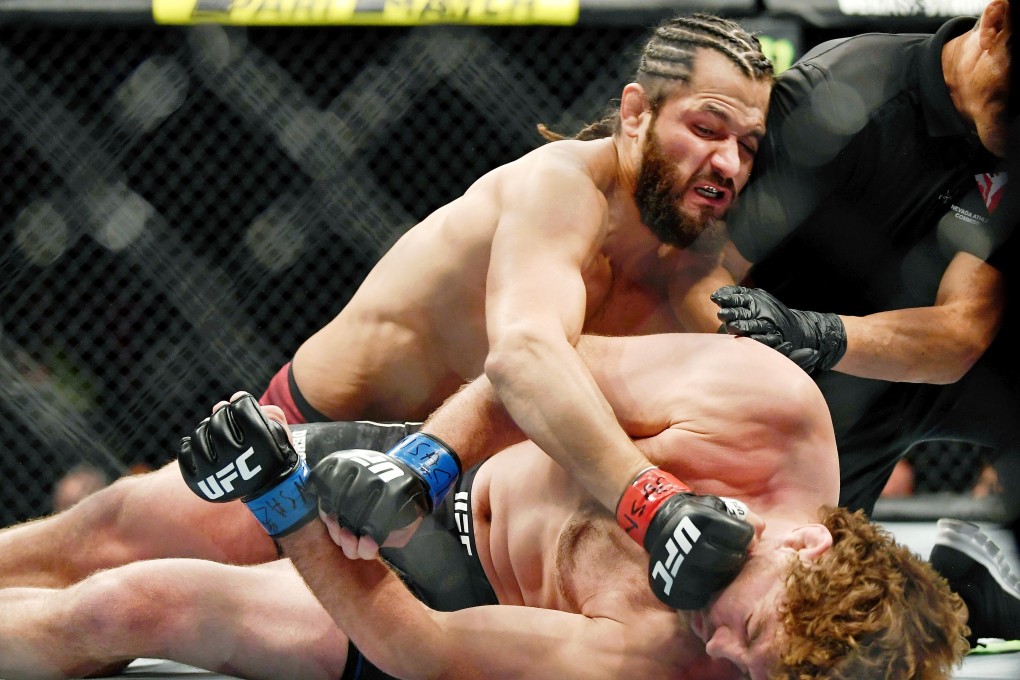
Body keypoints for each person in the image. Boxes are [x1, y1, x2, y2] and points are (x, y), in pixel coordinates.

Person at [0, 8, 773, 666]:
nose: (727, 162)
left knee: (132, 611)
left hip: (441, 526)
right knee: (91, 552)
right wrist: (655, 506)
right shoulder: (562, 188)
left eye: (748, 145)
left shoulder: (694, 278)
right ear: (636, 111)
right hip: (314, 434)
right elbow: (523, 355)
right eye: (706, 128)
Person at [175, 332, 967, 680]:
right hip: (447, 471)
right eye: (751, 629)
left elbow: (426, 651)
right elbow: (528, 365)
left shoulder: (675, 662)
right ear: (803, 547)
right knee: (125, 523)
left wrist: (280, 500)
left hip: (456, 600)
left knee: (140, 603)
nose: (723, 649)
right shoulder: (773, 417)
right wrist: (421, 466)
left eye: (746, 673)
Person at [704, 0, 1019, 640]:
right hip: (786, 385)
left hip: (904, 368)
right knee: (795, 623)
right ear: (996, 25)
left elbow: (962, 330)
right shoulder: (844, 95)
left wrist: (819, 333)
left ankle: (982, 575)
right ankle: (956, 594)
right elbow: (706, 280)